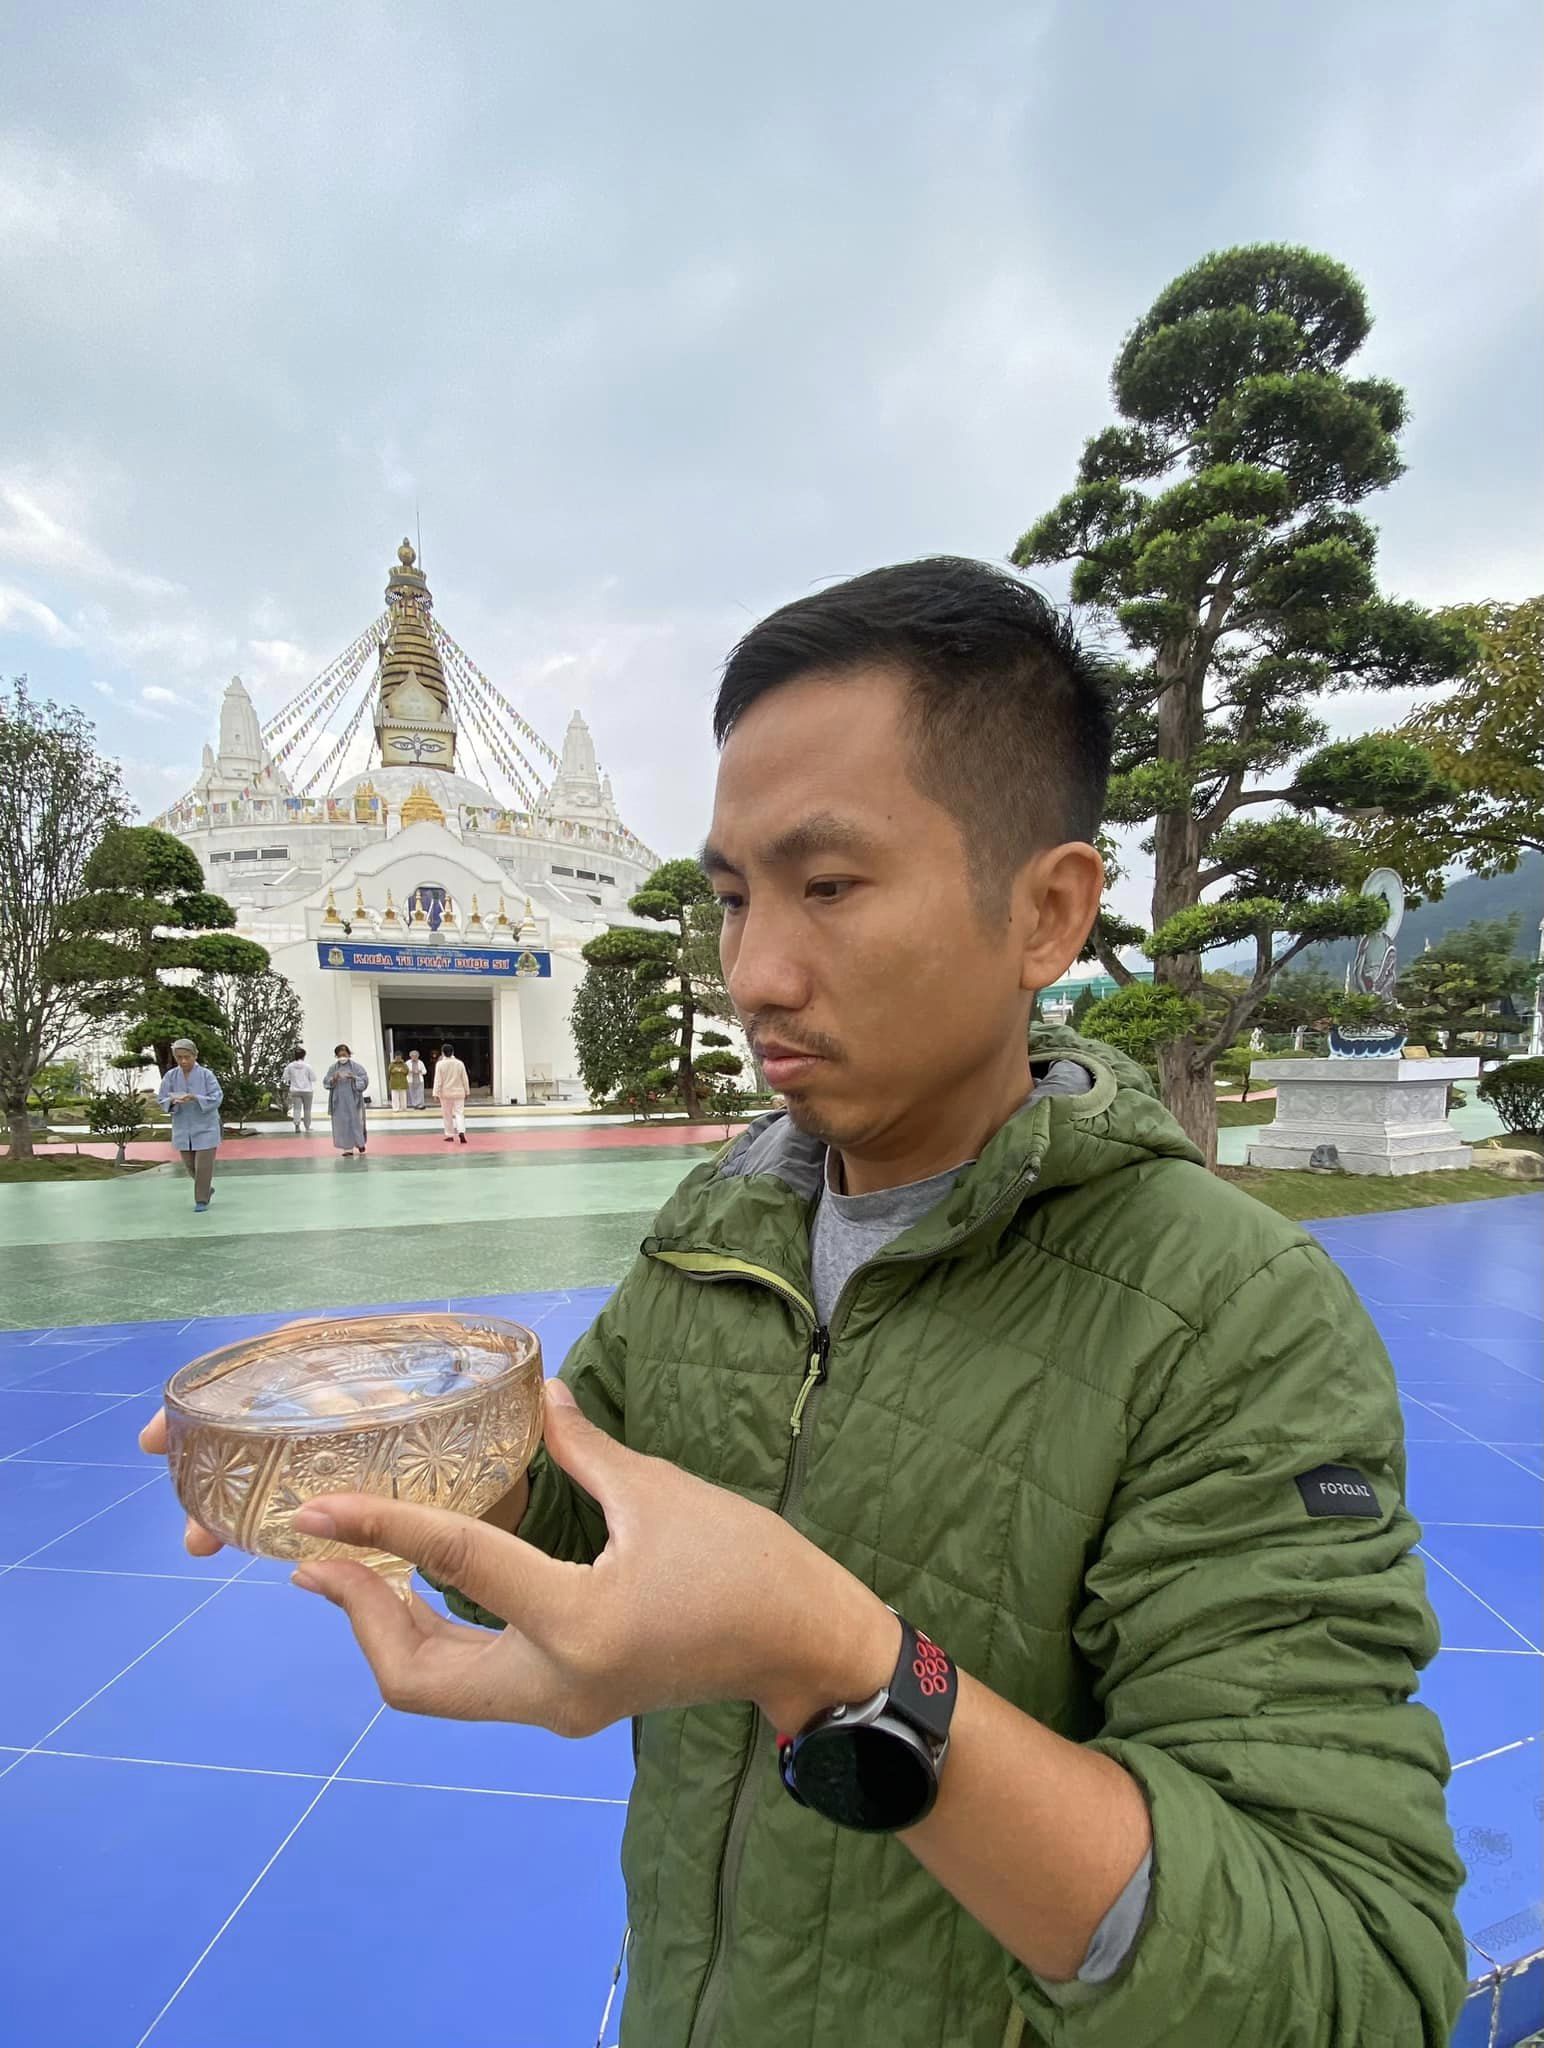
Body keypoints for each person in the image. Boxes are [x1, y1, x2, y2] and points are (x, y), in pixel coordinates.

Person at [145, 561, 1464, 2048]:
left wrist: (838, 1662)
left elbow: (1348, 1976)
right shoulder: (725, 1222)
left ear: (1047, 913)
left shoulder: (1230, 1317)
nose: (755, 972)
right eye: (730, 897)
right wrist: (423, 1458)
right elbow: (586, 1524)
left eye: (829, 886)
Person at [156, 1037, 222, 1211]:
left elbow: (217, 1097)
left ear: (195, 1055)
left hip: (206, 1127)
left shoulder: (206, 1075)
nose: (183, 1061)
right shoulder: (171, 1076)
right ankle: (206, 1189)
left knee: (203, 1167)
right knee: (190, 1166)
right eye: (179, 1057)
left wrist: (196, 1098)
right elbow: (162, 1098)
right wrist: (172, 1101)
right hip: (183, 1127)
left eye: (187, 1057)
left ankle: (201, 1200)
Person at [323, 1043, 369, 1157]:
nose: (342, 1057)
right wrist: (333, 1079)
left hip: (354, 1100)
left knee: (357, 1122)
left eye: (344, 1055)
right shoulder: (333, 1068)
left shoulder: (357, 1067)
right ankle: (347, 1148)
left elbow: (364, 1080)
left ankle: (360, 1143)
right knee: (342, 1124)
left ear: (349, 1054)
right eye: (339, 1055)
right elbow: (326, 1082)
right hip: (339, 1100)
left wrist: (354, 1077)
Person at [431, 1041, 469, 1144]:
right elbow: (464, 1078)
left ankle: (450, 1134)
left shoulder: (440, 1064)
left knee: (447, 1114)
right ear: (453, 1052)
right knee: (459, 1113)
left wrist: (435, 1093)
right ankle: (461, 1131)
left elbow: (437, 1080)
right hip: (459, 1093)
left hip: (445, 1094)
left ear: (442, 1052)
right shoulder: (459, 1063)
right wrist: (467, 1091)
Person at [280, 1047, 316, 1135]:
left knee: (297, 1109)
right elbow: (313, 1078)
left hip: (295, 1090)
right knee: (307, 1110)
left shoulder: (290, 1066)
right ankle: (307, 1127)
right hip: (307, 1090)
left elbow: (285, 1077)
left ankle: (297, 1126)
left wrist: (292, 1079)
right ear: (304, 1056)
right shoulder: (307, 1066)